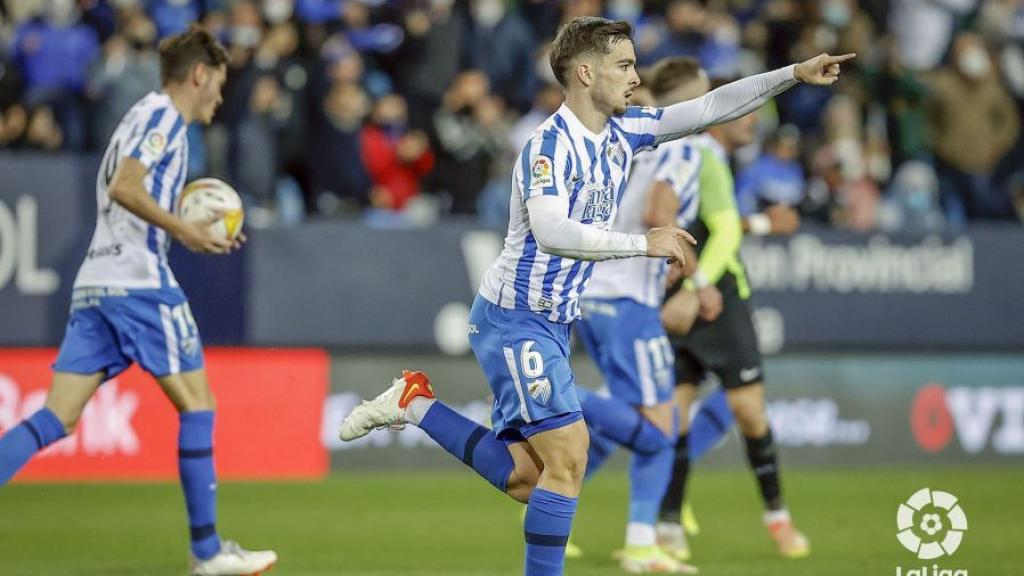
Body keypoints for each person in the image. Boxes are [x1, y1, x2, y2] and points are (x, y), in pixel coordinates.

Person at [340, 16, 850, 576]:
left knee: (527, 478)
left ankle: (415, 404)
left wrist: (795, 74)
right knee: (571, 454)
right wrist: (642, 243)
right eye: (624, 65)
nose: (636, 77)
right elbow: (552, 230)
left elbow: (709, 108)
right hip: (516, 315)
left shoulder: (625, 130)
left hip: (555, 323)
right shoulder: (547, 145)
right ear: (585, 73)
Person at [0, 26, 277, 576]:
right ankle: (207, 553)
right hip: (139, 282)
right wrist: (185, 230)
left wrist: (192, 219)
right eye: (218, 85)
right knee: (198, 405)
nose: (219, 98)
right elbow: (127, 186)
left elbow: (131, 190)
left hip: (97, 281)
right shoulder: (163, 119)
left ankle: (209, 552)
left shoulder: (141, 114)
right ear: (198, 75)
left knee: (57, 417)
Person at [573, 56, 713, 574]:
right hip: (628, 298)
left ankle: (610, 532)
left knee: (641, 425)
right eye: (706, 96)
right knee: (660, 429)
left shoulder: (641, 139)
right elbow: (658, 211)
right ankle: (555, 397)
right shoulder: (685, 144)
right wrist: (690, 268)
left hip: (599, 294)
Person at [657, 111, 810, 562]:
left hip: (719, 302)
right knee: (674, 420)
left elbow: (717, 227)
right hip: (695, 297)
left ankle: (777, 516)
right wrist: (693, 288)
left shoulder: (707, 159)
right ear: (716, 116)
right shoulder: (698, 153)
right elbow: (719, 230)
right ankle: (667, 523)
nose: (753, 123)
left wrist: (759, 225)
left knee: (748, 412)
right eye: (744, 114)